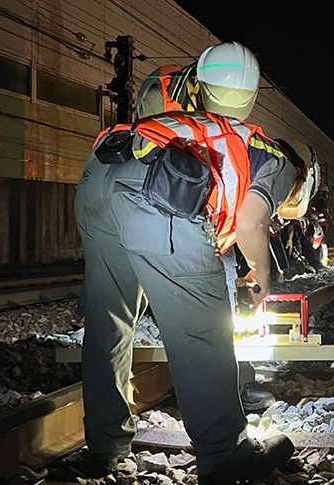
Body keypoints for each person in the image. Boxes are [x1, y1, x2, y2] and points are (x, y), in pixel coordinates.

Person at [72, 42, 320, 483]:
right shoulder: (277, 159)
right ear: (303, 178)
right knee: (201, 331)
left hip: (99, 179)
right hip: (152, 196)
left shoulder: (197, 124)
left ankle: (104, 446)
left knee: (109, 324)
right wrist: (262, 275)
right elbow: (251, 221)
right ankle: (224, 450)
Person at [134, 44, 276, 413]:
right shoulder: (166, 101)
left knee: (123, 313)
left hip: (159, 207)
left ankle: (208, 388)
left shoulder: (174, 93)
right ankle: (217, 398)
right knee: (212, 301)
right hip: (170, 209)